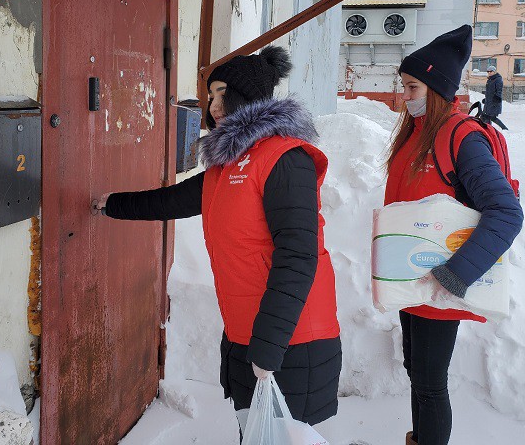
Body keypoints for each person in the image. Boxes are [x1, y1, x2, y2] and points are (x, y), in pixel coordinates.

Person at [93, 46, 342, 434]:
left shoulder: (285, 158)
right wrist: (111, 205)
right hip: (247, 336)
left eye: (221, 93)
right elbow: (170, 200)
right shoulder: (225, 168)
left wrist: (270, 344)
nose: (213, 105)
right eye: (210, 96)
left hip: (292, 342)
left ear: (247, 96)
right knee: (254, 435)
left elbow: (298, 254)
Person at [385, 25, 523, 445]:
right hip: (414, 281)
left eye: (412, 87)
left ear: (436, 89)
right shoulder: (418, 135)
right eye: (404, 87)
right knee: (418, 373)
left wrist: (454, 275)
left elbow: (506, 213)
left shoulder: (460, 137)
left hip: (440, 281)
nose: (404, 97)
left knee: (429, 383)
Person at [481, 65, 507, 129]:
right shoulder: (490, 80)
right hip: (489, 101)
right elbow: (489, 91)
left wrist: (497, 98)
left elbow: (499, 90)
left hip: (494, 102)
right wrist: (486, 99)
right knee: (485, 116)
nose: (489, 73)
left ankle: (504, 128)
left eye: (491, 71)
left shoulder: (498, 79)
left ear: (494, 72)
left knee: (492, 117)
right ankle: (487, 128)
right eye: (488, 71)